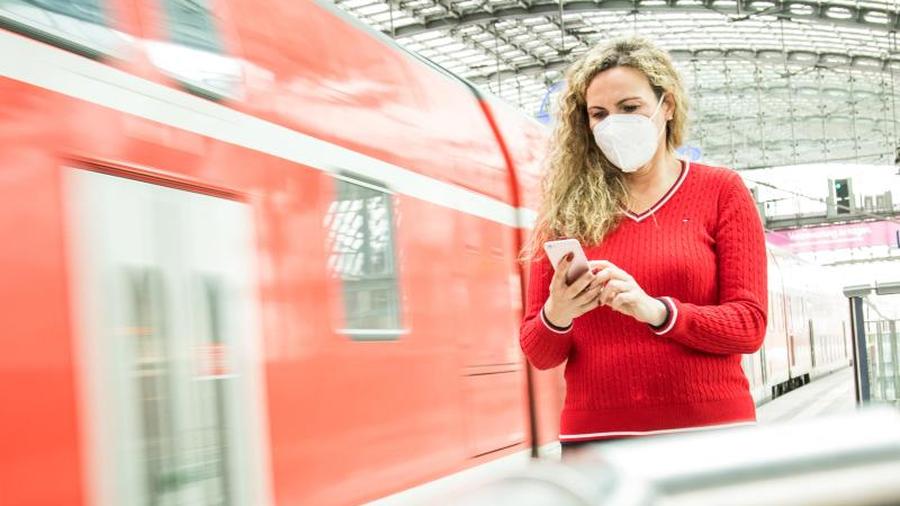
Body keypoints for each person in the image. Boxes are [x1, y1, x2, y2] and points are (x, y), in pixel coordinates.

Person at [519, 36, 768, 458]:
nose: (612, 123)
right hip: (597, 445)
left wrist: (655, 310)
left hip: (711, 435)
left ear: (666, 106)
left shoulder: (721, 191)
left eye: (629, 108)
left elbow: (749, 325)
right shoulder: (565, 212)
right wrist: (557, 313)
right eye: (598, 114)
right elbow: (539, 353)